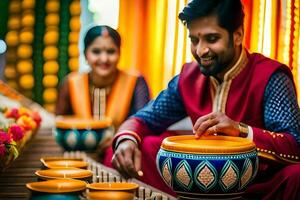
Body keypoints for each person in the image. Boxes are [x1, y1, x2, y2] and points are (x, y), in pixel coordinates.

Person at [104, 0, 300, 199]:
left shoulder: (270, 76)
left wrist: (241, 131)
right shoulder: (189, 77)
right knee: (140, 146)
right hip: (194, 183)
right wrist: (127, 141)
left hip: (256, 187)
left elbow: (294, 144)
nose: (200, 50)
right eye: (194, 40)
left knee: (296, 176)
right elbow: (145, 118)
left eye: (212, 38)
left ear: (238, 35)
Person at [56, 25, 150, 130]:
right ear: (85, 54)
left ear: (119, 54)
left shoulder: (136, 81)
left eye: (111, 51)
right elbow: (60, 124)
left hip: (122, 145)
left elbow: (143, 124)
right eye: (96, 51)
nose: (104, 59)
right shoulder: (71, 82)